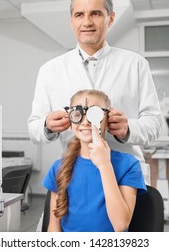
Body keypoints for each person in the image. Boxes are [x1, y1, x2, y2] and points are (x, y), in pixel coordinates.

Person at [28, 0, 163, 183]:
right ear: (71, 21)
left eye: (96, 13)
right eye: (79, 14)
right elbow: (34, 129)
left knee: (124, 215)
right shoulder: (50, 70)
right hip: (75, 174)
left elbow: (155, 124)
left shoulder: (135, 64)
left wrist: (127, 129)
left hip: (124, 175)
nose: (87, 22)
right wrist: (47, 125)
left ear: (111, 18)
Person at [42, 89, 147, 232]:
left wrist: (105, 165)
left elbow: (121, 225)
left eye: (94, 115)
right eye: (78, 114)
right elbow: (54, 226)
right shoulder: (59, 167)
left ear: (108, 119)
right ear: (70, 119)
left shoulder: (128, 165)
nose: (85, 122)